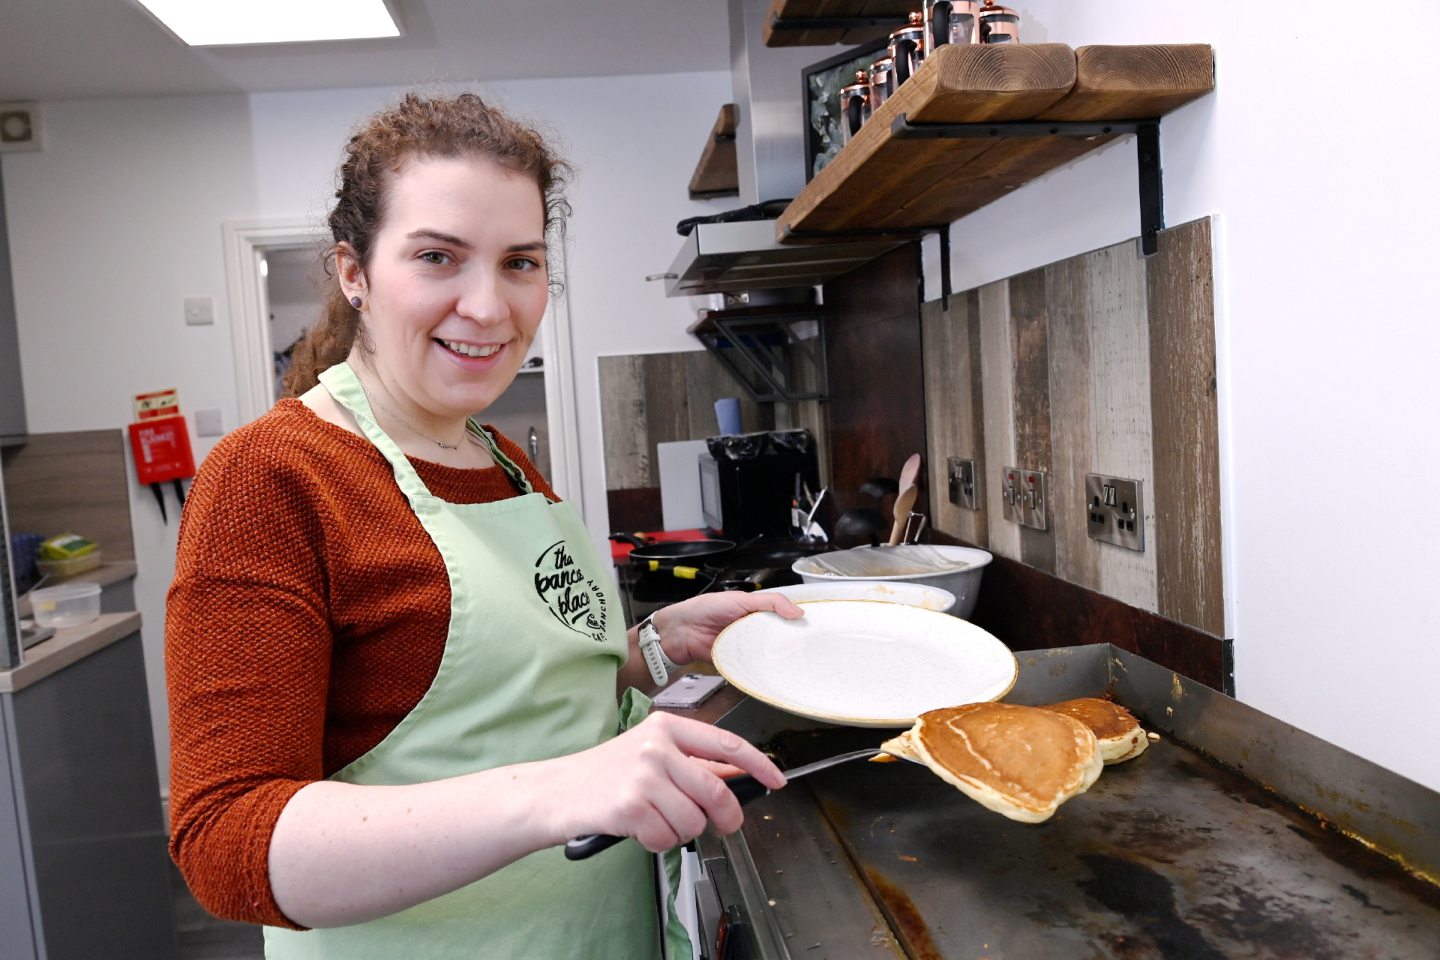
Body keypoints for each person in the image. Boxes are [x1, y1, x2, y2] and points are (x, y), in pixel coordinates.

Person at [165, 91, 803, 959]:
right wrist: (557, 793)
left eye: (519, 262)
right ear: (354, 272)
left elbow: (516, 694)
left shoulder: (497, 456)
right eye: (438, 257)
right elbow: (225, 838)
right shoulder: (272, 477)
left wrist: (656, 645)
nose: (489, 306)